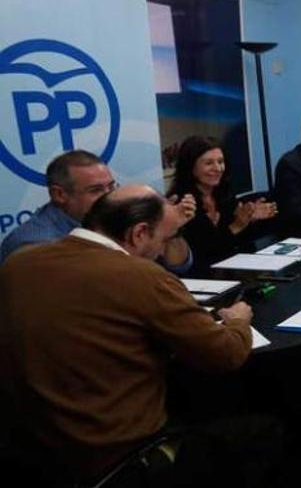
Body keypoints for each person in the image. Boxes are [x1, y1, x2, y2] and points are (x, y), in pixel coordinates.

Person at [0, 185, 274, 486]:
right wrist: (238, 321)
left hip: (35, 450)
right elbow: (226, 353)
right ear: (139, 233)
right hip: (118, 456)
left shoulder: (19, 261)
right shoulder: (141, 276)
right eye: (165, 239)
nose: (162, 250)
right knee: (262, 429)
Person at [0, 150, 194, 271]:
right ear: (59, 194)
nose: (108, 196)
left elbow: (178, 266)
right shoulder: (37, 244)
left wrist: (171, 229)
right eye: (96, 190)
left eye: (111, 186)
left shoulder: (116, 220)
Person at [169, 136, 278, 268]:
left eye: (220, 162)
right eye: (209, 163)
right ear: (190, 166)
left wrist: (250, 220)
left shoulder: (224, 193)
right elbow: (203, 253)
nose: (218, 168)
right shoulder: (181, 203)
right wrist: (237, 225)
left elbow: (238, 243)